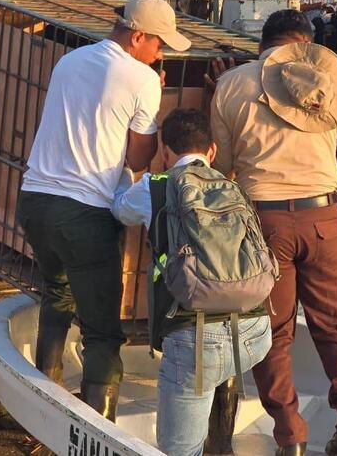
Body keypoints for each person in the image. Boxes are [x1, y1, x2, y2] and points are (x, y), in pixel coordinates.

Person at [15, 0, 191, 421]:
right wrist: (156, 94)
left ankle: (44, 402)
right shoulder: (143, 79)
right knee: (102, 332)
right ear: (137, 37)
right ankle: (100, 430)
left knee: (57, 294)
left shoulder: (69, 61)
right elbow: (136, 159)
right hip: (84, 214)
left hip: (35, 201)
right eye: (159, 43)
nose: (161, 52)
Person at [210, 9, 337, 456]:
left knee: (273, 333)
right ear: (306, 44)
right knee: (336, 327)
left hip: (265, 224)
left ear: (262, 45)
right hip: (324, 220)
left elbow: (221, 167)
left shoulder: (233, 84)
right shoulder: (329, 78)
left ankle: (290, 436)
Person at [112, 108, 272, 456]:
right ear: (212, 151)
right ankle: (222, 444)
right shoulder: (232, 186)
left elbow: (120, 210)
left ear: (164, 152)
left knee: (179, 449)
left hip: (196, 339)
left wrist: (127, 172)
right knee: (219, 372)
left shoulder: (154, 188)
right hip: (256, 332)